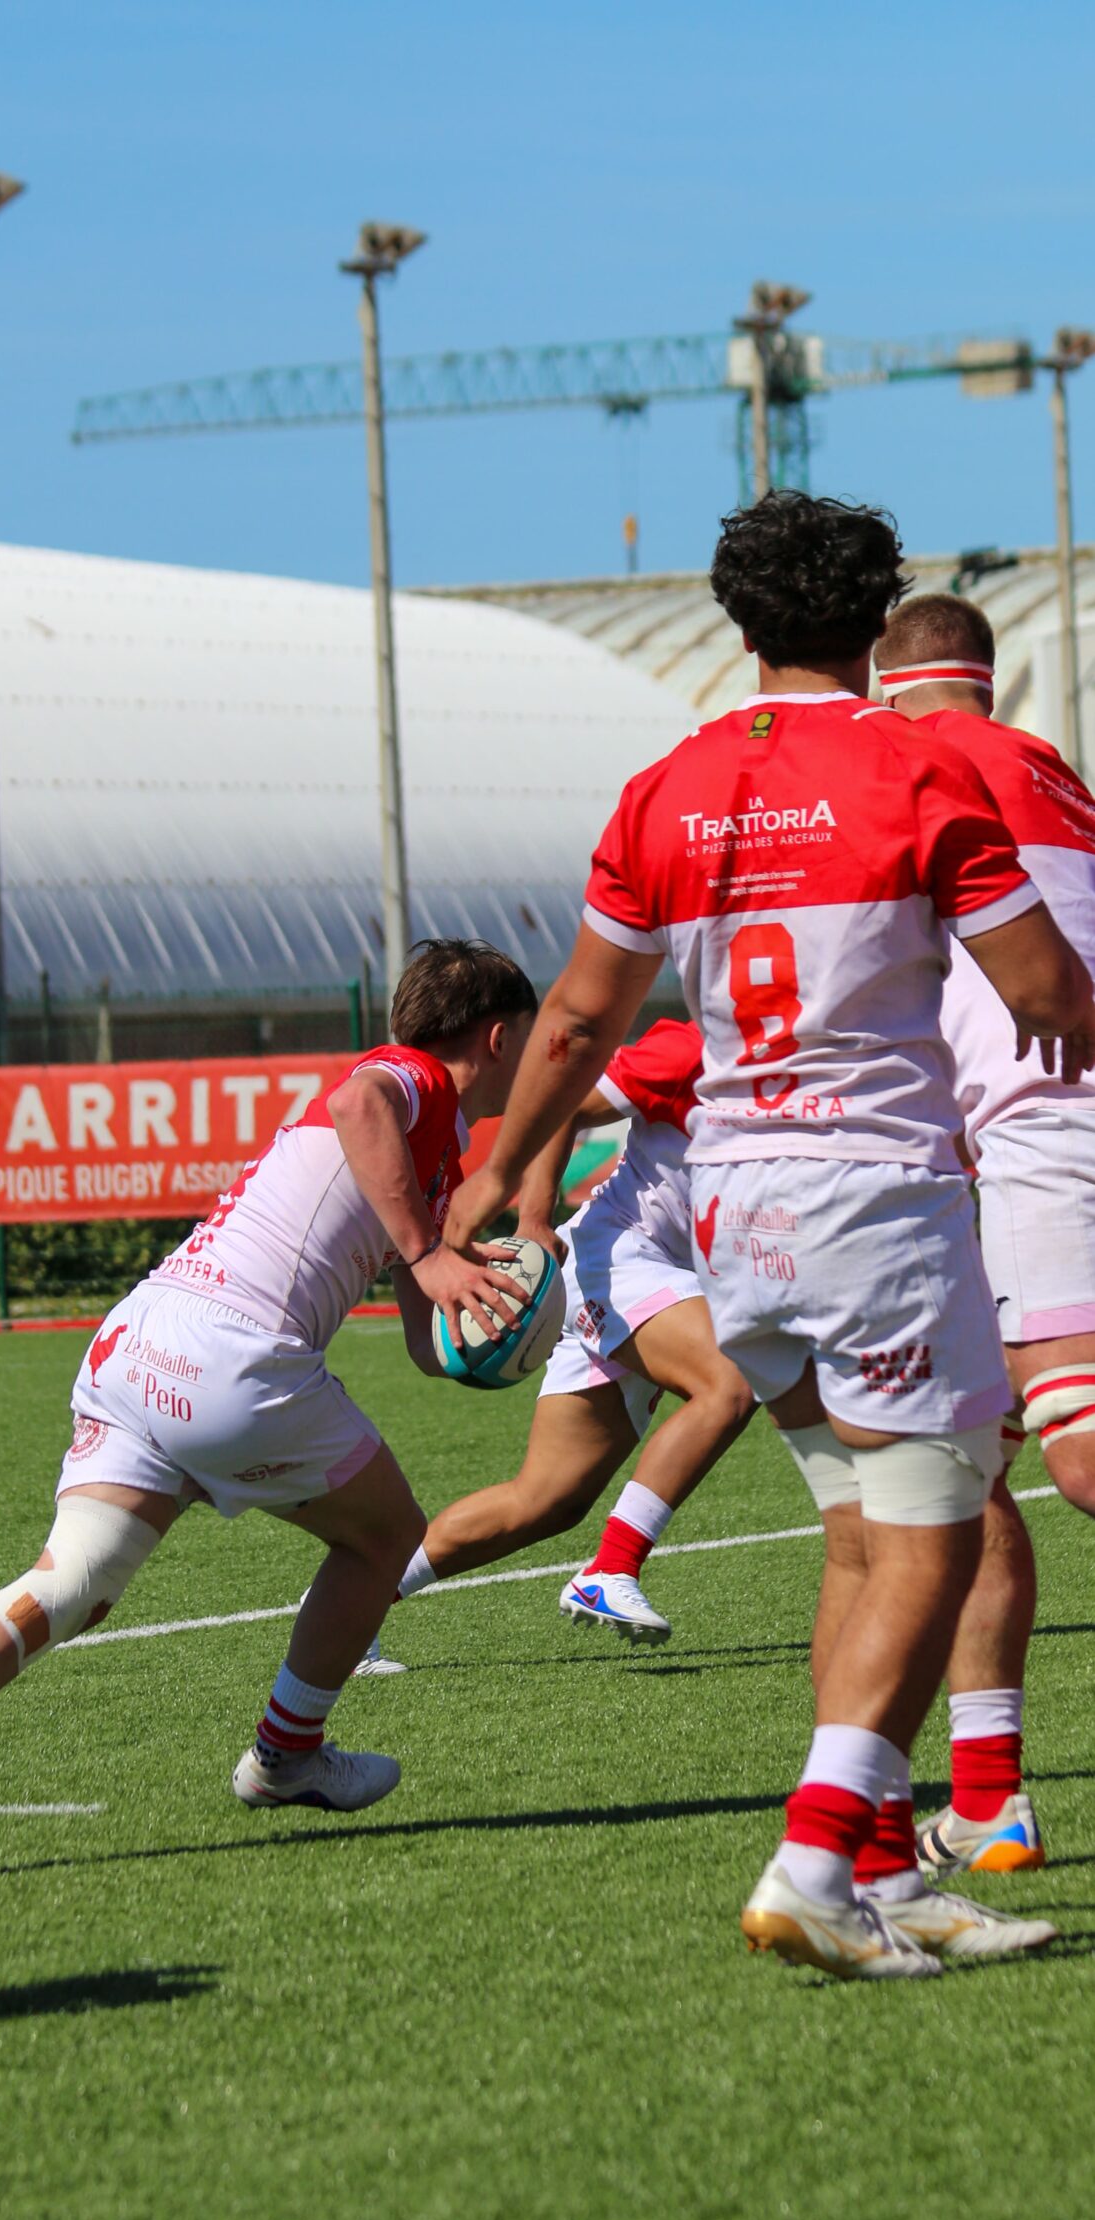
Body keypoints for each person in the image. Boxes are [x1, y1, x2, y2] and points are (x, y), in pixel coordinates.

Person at [440, 490, 1095, 1980]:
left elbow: (576, 1015)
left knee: (858, 1534)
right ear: (873, 622)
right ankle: (812, 1860)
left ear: (738, 624)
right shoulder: (921, 765)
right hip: (876, 1198)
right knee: (936, 1533)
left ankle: (884, 1871)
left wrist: (496, 1173)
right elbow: (1044, 993)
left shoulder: (663, 789)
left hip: (735, 1215)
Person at [0, 938, 538, 1882]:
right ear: (499, 1039)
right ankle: (286, 1756)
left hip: (140, 1340)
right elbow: (359, 1104)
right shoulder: (408, 1080)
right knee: (386, 1537)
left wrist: (493, 1326)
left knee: (72, 1579)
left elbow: (427, 1347)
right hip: (234, 1357)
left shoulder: (426, 1165)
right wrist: (428, 1255)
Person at [867, 591, 1095, 1875]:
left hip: (1044, 1125)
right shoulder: (1051, 769)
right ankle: (990, 1799)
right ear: (985, 683)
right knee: (965, 1469)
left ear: (889, 689)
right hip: (1033, 1130)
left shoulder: (905, 764)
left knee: (1081, 1456)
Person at [391, 1015, 755, 1644]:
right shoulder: (693, 1049)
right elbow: (559, 1103)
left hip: (666, 1278)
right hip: (615, 1256)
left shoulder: (832, 1075)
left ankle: (352, 1599)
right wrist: (534, 1219)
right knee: (730, 1379)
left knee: (545, 1502)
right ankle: (610, 1570)